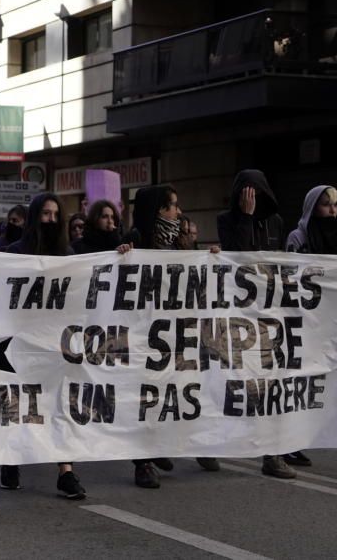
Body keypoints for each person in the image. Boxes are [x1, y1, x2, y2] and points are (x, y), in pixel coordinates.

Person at [129, 186, 220, 487]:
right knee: (146, 397)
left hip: (173, 335)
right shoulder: (135, 241)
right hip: (144, 335)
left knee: (173, 393)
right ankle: (142, 463)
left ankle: (161, 447)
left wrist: (210, 260)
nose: (178, 213)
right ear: (158, 210)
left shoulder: (176, 245)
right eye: (173, 207)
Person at [1, 193, 86, 499]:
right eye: (45, 214)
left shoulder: (68, 254)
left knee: (58, 404)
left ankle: (66, 471)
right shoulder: (12, 252)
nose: (50, 220)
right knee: (18, 402)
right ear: (35, 217)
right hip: (18, 342)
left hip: (55, 342)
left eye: (54, 215)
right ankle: (10, 459)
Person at [217, 169, 295, 479]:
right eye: (245, 193)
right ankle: (210, 446)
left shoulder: (275, 222)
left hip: (269, 317)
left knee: (271, 384)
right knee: (233, 384)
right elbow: (240, 257)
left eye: (255, 192)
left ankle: (272, 454)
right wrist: (246, 218)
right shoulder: (227, 220)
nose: (251, 198)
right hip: (237, 317)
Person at [281, 185, 337, 468]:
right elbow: (292, 277)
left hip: (336, 327)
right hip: (306, 325)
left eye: (335, 205)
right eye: (325, 205)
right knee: (302, 388)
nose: (332, 210)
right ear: (313, 208)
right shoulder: (298, 238)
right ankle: (289, 444)